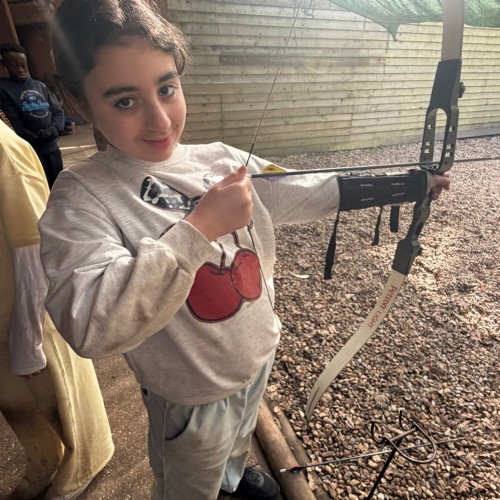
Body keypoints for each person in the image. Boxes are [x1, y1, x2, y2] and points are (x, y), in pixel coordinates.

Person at [38, 1, 451, 499]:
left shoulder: (220, 158)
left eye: (167, 88)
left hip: (255, 357)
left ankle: (232, 480)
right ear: (79, 103)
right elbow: (90, 324)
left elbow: (303, 188)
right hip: (191, 396)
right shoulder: (82, 195)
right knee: (190, 484)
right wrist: (200, 228)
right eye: (125, 101)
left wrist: (408, 184)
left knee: (236, 443)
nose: (159, 120)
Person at [0, 120, 115, 500]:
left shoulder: (3, 148)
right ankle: (42, 461)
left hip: (23, 310)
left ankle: (80, 468)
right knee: (17, 405)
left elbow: (31, 247)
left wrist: (28, 336)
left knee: (62, 402)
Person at [0, 43, 64, 188]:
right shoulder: (3, 89)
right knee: (40, 187)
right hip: (30, 151)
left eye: (23, 65)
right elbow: (11, 119)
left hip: (51, 147)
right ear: (4, 64)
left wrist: (53, 130)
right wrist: (29, 136)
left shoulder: (39, 86)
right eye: (14, 65)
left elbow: (58, 112)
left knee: (59, 185)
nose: (20, 69)